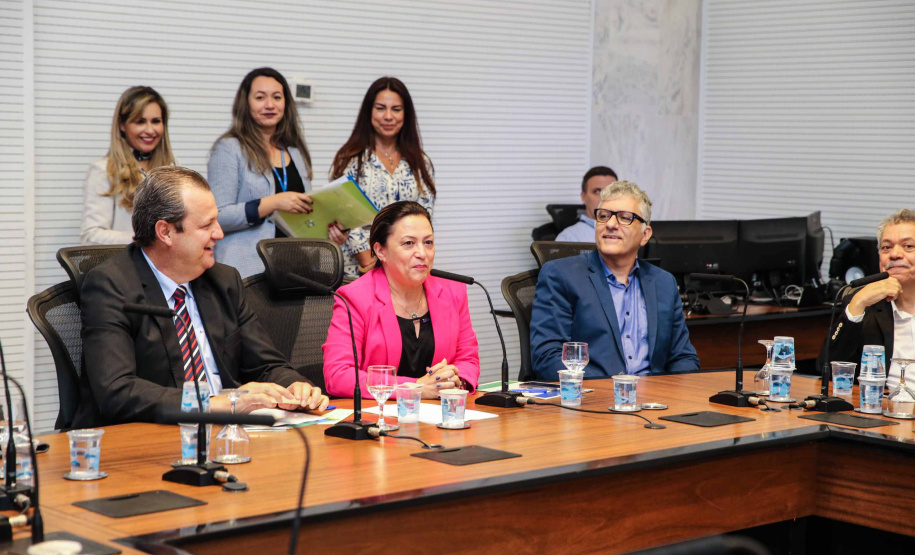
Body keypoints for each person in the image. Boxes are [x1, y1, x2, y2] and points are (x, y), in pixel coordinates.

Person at [73, 166, 329, 428]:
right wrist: (218, 403)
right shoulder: (111, 285)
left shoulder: (223, 280)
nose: (219, 233)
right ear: (165, 232)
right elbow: (117, 391)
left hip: (227, 434)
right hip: (150, 434)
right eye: (207, 225)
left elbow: (266, 365)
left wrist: (295, 386)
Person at [530, 181, 699, 380]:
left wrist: (678, 392)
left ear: (645, 235)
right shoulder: (561, 275)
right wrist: (612, 389)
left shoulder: (663, 283)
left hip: (653, 395)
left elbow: (683, 357)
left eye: (625, 218)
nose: (610, 224)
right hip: (592, 394)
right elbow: (547, 356)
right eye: (603, 216)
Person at [322, 201, 479, 398]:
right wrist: (415, 388)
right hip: (379, 412)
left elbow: (468, 359)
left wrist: (455, 381)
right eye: (409, 243)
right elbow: (338, 374)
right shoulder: (355, 298)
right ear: (381, 251)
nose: (422, 254)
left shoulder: (452, 291)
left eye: (428, 242)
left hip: (439, 410)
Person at [208, 67, 347, 278]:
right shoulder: (229, 148)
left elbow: (304, 213)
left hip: (296, 266)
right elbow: (219, 216)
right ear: (246, 103)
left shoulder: (294, 151)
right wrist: (273, 202)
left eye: (277, 97)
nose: (270, 105)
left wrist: (331, 231)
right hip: (247, 270)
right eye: (260, 97)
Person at [330, 77, 435, 278]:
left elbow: (424, 217)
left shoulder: (421, 163)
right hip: (359, 269)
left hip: (406, 268)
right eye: (380, 108)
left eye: (396, 109)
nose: (388, 116)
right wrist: (370, 262)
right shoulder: (350, 159)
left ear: (406, 114)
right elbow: (345, 217)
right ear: (369, 112)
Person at [818, 208, 915, 388]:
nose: (894, 254)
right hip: (884, 402)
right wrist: (857, 304)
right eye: (886, 247)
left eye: (908, 246)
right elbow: (828, 371)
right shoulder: (868, 303)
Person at [81, 86, 176, 245]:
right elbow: (91, 236)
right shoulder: (103, 170)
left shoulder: (172, 167)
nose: (150, 130)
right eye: (140, 122)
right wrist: (144, 240)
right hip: (127, 260)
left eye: (156, 121)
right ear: (122, 125)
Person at [555, 166, 618, 242]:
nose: (604, 197)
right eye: (597, 191)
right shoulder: (568, 238)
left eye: (611, 191)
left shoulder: (628, 232)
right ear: (583, 197)